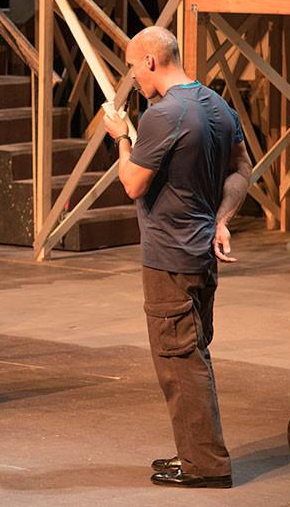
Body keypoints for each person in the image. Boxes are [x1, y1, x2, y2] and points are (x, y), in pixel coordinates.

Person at [103, 26, 251, 489]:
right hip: (200, 255)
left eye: (132, 66)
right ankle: (195, 455)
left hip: (170, 258)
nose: (134, 77)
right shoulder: (217, 106)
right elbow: (242, 169)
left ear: (150, 61)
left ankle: (206, 465)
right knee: (191, 355)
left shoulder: (163, 115)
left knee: (179, 361)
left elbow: (132, 184)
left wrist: (122, 136)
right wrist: (221, 220)